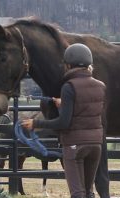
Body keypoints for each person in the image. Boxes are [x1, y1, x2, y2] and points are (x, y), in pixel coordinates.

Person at [22, 43, 106, 198]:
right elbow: (87, 109)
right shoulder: (100, 86)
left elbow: (63, 123)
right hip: (95, 145)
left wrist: (36, 123)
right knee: (88, 192)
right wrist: (65, 104)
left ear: (68, 65)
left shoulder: (69, 87)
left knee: (77, 193)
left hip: (74, 145)